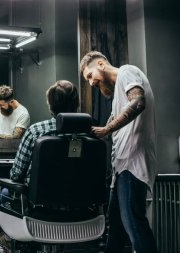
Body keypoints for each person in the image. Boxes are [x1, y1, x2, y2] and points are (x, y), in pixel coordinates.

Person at [80, 51, 157, 253]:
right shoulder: (117, 96)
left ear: (100, 64)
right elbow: (113, 121)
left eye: (90, 75)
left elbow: (138, 102)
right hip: (121, 169)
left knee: (135, 226)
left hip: (133, 165)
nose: (91, 83)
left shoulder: (127, 72)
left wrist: (107, 130)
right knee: (115, 230)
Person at [0, 80, 79, 252]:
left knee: (6, 191)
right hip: (81, 212)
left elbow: (16, 174)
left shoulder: (36, 131)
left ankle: (9, 240)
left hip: (39, 212)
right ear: (77, 103)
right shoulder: (92, 131)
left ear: (50, 105)